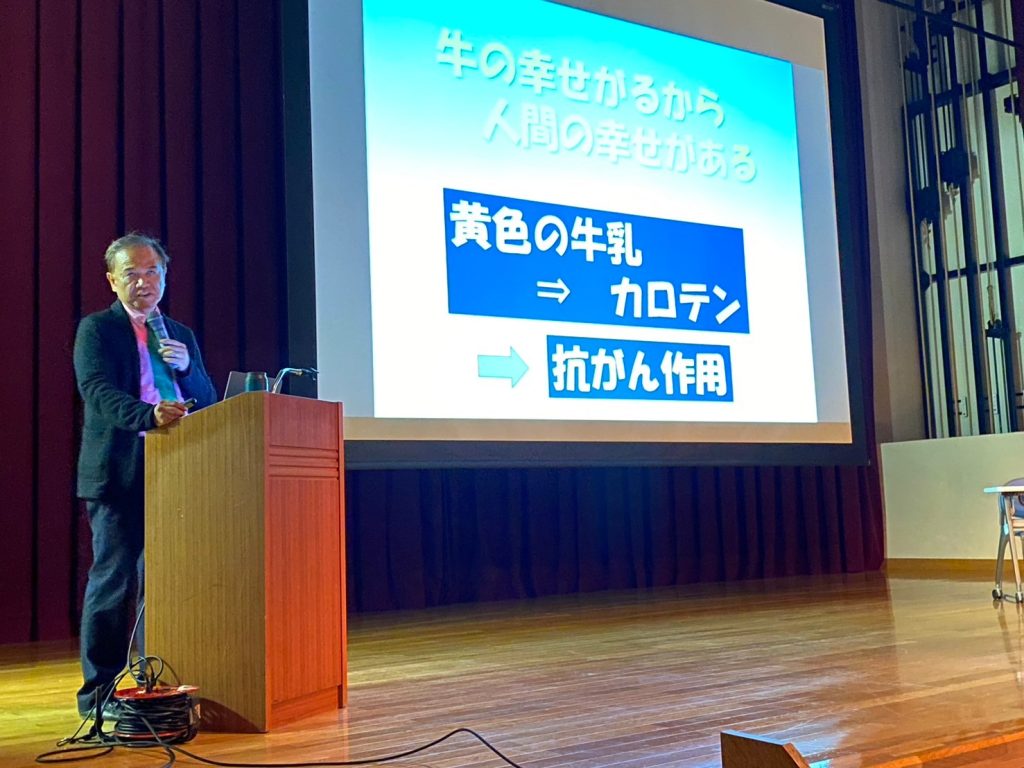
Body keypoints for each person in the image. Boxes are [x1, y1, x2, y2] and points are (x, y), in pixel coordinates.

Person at [73, 233, 217, 718]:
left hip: (177, 468)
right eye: (131, 273)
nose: (143, 282)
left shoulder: (180, 333)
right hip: (120, 470)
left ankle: (158, 686)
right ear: (112, 281)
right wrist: (148, 416)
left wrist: (188, 369)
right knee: (114, 583)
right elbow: (96, 391)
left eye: (152, 271)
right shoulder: (98, 329)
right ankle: (99, 697)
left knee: (169, 583)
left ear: (164, 276)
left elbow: (207, 399)